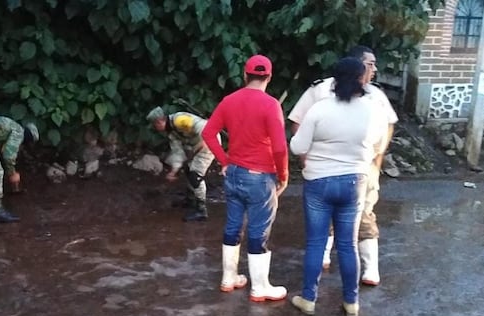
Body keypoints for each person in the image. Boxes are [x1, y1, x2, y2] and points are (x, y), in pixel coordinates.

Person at [287, 45, 398, 286]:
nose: (374, 70)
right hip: (343, 171)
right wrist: (306, 159)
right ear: (357, 67)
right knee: (339, 236)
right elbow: (297, 120)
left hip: (357, 169)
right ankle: (350, 297)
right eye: (370, 65)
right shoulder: (319, 91)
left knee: (364, 218)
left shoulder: (375, 96)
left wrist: (375, 162)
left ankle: (366, 271)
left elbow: (388, 126)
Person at [201, 54, 289, 302]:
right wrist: (283, 175)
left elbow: (208, 133)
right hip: (261, 177)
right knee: (259, 230)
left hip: (235, 173)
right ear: (269, 77)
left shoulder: (229, 101)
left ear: (244, 74)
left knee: (232, 225)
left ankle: (229, 278)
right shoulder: (271, 105)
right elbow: (280, 147)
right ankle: (260, 287)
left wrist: (225, 160)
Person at [146, 106, 221, 222]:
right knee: (188, 169)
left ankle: (201, 210)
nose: (155, 128)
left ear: (160, 121)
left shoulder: (179, 120)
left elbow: (202, 126)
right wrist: (174, 171)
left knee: (196, 175)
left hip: (209, 142)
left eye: (155, 125)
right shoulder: (171, 133)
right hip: (197, 145)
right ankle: (191, 199)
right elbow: (178, 153)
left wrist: (206, 141)